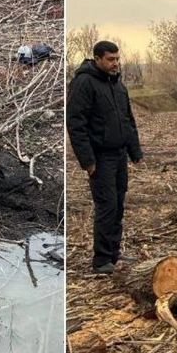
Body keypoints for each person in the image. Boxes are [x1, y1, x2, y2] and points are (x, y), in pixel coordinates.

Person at [66, 40, 144, 274]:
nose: (115, 64)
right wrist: (88, 161)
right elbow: (75, 124)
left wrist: (135, 152)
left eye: (117, 59)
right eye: (110, 59)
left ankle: (114, 253)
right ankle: (101, 260)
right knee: (107, 206)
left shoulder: (118, 85)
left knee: (118, 204)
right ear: (97, 59)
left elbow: (128, 121)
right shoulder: (84, 83)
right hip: (100, 158)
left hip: (119, 155)